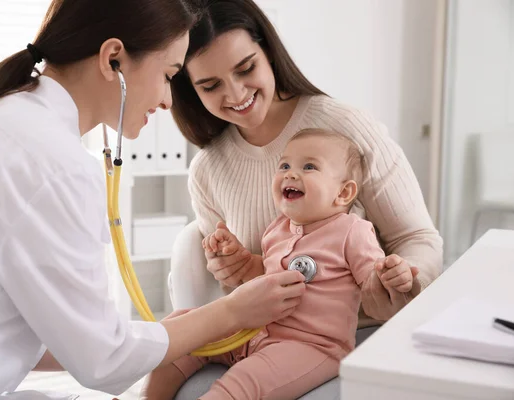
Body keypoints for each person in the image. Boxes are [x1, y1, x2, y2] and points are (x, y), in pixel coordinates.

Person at [0, 0, 309, 398]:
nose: (169, 99)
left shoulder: (5, 119)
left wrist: (167, 333)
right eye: (168, 74)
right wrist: (231, 312)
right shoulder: (52, 161)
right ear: (113, 59)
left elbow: (36, 332)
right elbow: (104, 362)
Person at [168, 0, 443, 396]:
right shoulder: (208, 169)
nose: (236, 93)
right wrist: (227, 266)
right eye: (210, 86)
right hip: (260, 335)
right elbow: (247, 283)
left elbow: (417, 237)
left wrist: (402, 283)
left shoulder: (344, 129)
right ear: (190, 90)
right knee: (168, 351)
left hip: (357, 332)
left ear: (269, 53)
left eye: (246, 69)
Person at [144, 128, 416, 399]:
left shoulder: (352, 231)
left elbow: (372, 282)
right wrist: (239, 258)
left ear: (343, 193)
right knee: (182, 329)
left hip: (309, 345)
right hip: (252, 333)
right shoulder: (277, 229)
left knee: (242, 382)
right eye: (284, 165)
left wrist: (390, 276)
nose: (291, 173)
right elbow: (263, 274)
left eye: (309, 166)